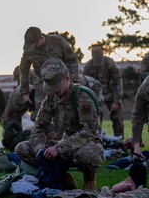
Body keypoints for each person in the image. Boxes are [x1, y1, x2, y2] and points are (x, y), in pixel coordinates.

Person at [15, 58, 104, 191]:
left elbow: (90, 131)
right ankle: (62, 179)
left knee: (88, 155)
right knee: (22, 148)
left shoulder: (83, 96)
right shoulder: (51, 97)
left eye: (56, 86)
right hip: (62, 143)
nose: (54, 91)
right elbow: (39, 127)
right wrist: (40, 150)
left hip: (84, 143)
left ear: (67, 78)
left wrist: (59, 148)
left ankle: (89, 179)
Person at [19, 26, 79, 121]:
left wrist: (74, 81)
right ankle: (40, 135)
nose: (33, 47)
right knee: (39, 115)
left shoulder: (58, 42)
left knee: (65, 112)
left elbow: (73, 61)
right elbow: (24, 70)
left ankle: (64, 134)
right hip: (42, 84)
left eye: (34, 44)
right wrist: (24, 92)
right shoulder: (29, 51)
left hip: (61, 82)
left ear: (41, 38)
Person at [82, 45, 124, 137]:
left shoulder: (110, 63)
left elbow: (118, 82)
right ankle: (96, 140)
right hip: (95, 95)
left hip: (110, 93)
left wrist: (116, 101)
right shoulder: (88, 67)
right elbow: (83, 85)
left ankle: (119, 140)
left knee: (117, 117)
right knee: (94, 119)